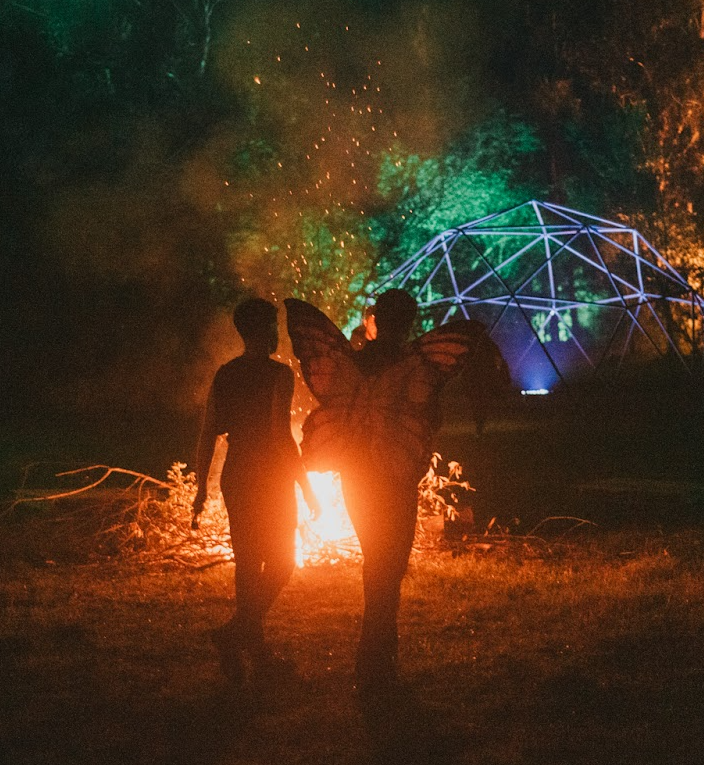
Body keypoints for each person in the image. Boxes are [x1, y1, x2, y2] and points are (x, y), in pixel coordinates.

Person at [286, 289, 498, 693]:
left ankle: (375, 659)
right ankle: (378, 660)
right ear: (408, 324)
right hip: (395, 476)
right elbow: (430, 413)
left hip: (357, 474)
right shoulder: (414, 362)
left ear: (377, 321)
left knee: (377, 562)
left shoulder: (355, 359)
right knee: (391, 563)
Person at [192, 297, 319, 684]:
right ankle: (235, 635)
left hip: (238, 474)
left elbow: (207, 433)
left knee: (248, 564)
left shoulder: (225, 374)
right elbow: (282, 436)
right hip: (271, 475)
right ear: (266, 330)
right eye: (273, 325)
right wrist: (306, 487)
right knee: (282, 562)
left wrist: (200, 489)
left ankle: (254, 652)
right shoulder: (279, 376)